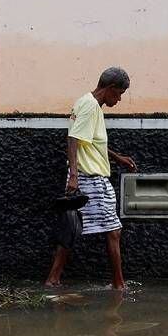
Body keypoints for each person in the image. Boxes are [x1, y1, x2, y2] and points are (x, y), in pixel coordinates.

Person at [45, 67, 137, 290]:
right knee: (113, 231)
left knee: (73, 228)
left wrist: (116, 158)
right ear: (111, 88)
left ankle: (53, 279)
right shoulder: (89, 106)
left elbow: (91, 143)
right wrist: (74, 176)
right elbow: (73, 138)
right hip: (90, 178)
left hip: (89, 176)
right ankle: (119, 285)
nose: (119, 99)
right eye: (119, 94)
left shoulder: (88, 103)